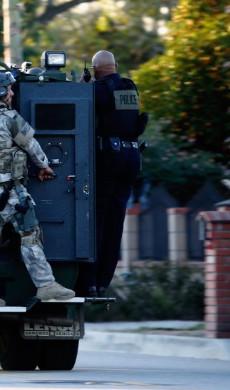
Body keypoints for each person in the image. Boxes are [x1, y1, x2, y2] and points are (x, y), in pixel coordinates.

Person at [0, 72, 75, 306]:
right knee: (30, 233)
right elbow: (32, 146)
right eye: (8, 89)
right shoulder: (9, 118)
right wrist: (45, 167)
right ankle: (46, 285)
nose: (11, 93)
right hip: (7, 190)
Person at [79, 50, 144, 298]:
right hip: (132, 156)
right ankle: (104, 281)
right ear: (115, 66)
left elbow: (82, 104)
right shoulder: (130, 87)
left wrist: (85, 86)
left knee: (97, 219)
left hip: (110, 157)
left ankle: (91, 281)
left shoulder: (98, 90)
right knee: (116, 220)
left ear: (94, 69)